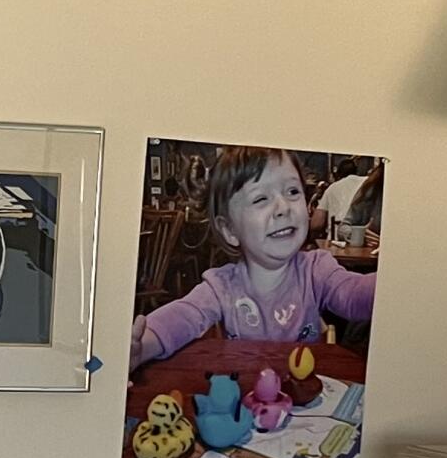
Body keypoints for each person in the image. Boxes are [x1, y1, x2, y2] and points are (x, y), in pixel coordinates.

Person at [132, 148, 376, 370]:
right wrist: (141, 346)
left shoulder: (316, 269)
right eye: (261, 199)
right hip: (247, 401)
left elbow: (354, 294)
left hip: (304, 407)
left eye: (292, 191)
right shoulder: (222, 286)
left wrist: (398, 281)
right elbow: (183, 315)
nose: (283, 207)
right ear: (229, 230)